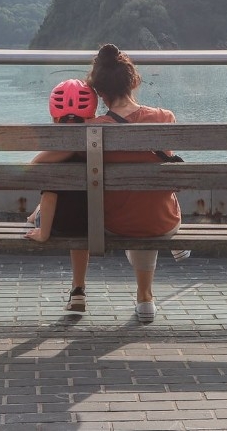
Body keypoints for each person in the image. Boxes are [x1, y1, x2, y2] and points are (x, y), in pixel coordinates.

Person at [86, 43, 182, 323]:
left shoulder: (94, 127)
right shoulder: (165, 118)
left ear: (99, 92)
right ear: (134, 81)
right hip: (163, 221)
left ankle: (142, 298)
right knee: (153, 197)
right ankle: (145, 297)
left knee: (132, 207)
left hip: (115, 223)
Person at [24, 79, 97, 312]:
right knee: (80, 215)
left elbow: (50, 194)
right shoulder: (98, 149)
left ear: (54, 119)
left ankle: (34, 215)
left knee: (43, 210)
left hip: (58, 224)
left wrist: (43, 234)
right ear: (92, 118)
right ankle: (78, 288)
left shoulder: (51, 158)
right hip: (95, 222)